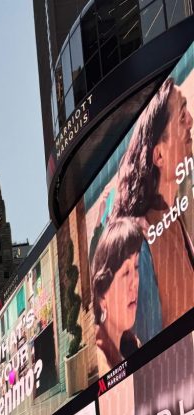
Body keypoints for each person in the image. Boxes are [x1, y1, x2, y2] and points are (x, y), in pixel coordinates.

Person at [111, 77, 194, 330]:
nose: (190, 120)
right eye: (181, 116)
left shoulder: (174, 215)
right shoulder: (141, 243)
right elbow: (152, 338)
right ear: (158, 154)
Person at [89, 217, 144, 375]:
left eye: (136, 266)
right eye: (126, 272)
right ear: (102, 296)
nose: (134, 283)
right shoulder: (99, 359)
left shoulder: (132, 344)